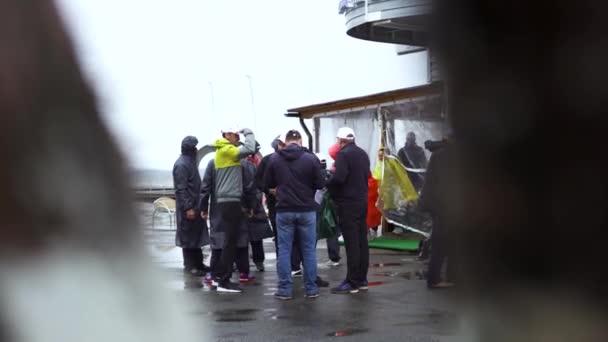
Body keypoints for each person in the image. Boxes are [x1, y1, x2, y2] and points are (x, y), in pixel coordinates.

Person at [264, 130, 325, 300]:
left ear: (286, 141)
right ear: (300, 140)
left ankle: (284, 289)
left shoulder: (275, 159)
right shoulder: (311, 158)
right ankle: (311, 289)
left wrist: (280, 189)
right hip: (307, 210)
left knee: (284, 250)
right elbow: (320, 183)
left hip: (284, 210)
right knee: (308, 251)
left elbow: (267, 183)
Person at [211, 126, 256, 293]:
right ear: (228, 135)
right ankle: (224, 281)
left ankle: (221, 278)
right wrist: (248, 131)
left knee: (229, 242)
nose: (238, 139)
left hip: (228, 200)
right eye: (236, 135)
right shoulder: (227, 149)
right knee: (230, 243)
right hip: (229, 201)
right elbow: (250, 148)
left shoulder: (224, 150)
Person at [327, 127, 371, 294]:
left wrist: (328, 182)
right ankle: (362, 279)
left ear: (341, 141)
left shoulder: (343, 155)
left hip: (347, 204)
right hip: (362, 201)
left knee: (351, 243)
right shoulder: (363, 154)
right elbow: (366, 174)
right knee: (362, 242)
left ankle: (352, 281)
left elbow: (339, 178)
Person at [200, 158, 256, 286]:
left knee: (219, 238)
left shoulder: (213, 162)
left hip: (217, 207)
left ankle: (213, 273)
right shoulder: (244, 163)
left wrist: (203, 207)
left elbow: (205, 186)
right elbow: (249, 188)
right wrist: (251, 206)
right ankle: (243, 273)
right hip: (239, 206)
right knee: (240, 237)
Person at [418, 140, 455, 289]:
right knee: (442, 242)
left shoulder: (438, 155)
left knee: (443, 241)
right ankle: (435, 279)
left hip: (437, 205)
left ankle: (445, 277)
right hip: (444, 207)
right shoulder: (449, 156)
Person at [173, 136, 210, 276]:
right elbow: (180, 189)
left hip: (196, 206)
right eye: (194, 147)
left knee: (196, 237)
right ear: (190, 148)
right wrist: (188, 208)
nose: (196, 149)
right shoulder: (181, 164)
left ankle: (199, 263)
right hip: (187, 209)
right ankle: (190, 266)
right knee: (188, 238)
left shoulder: (190, 162)